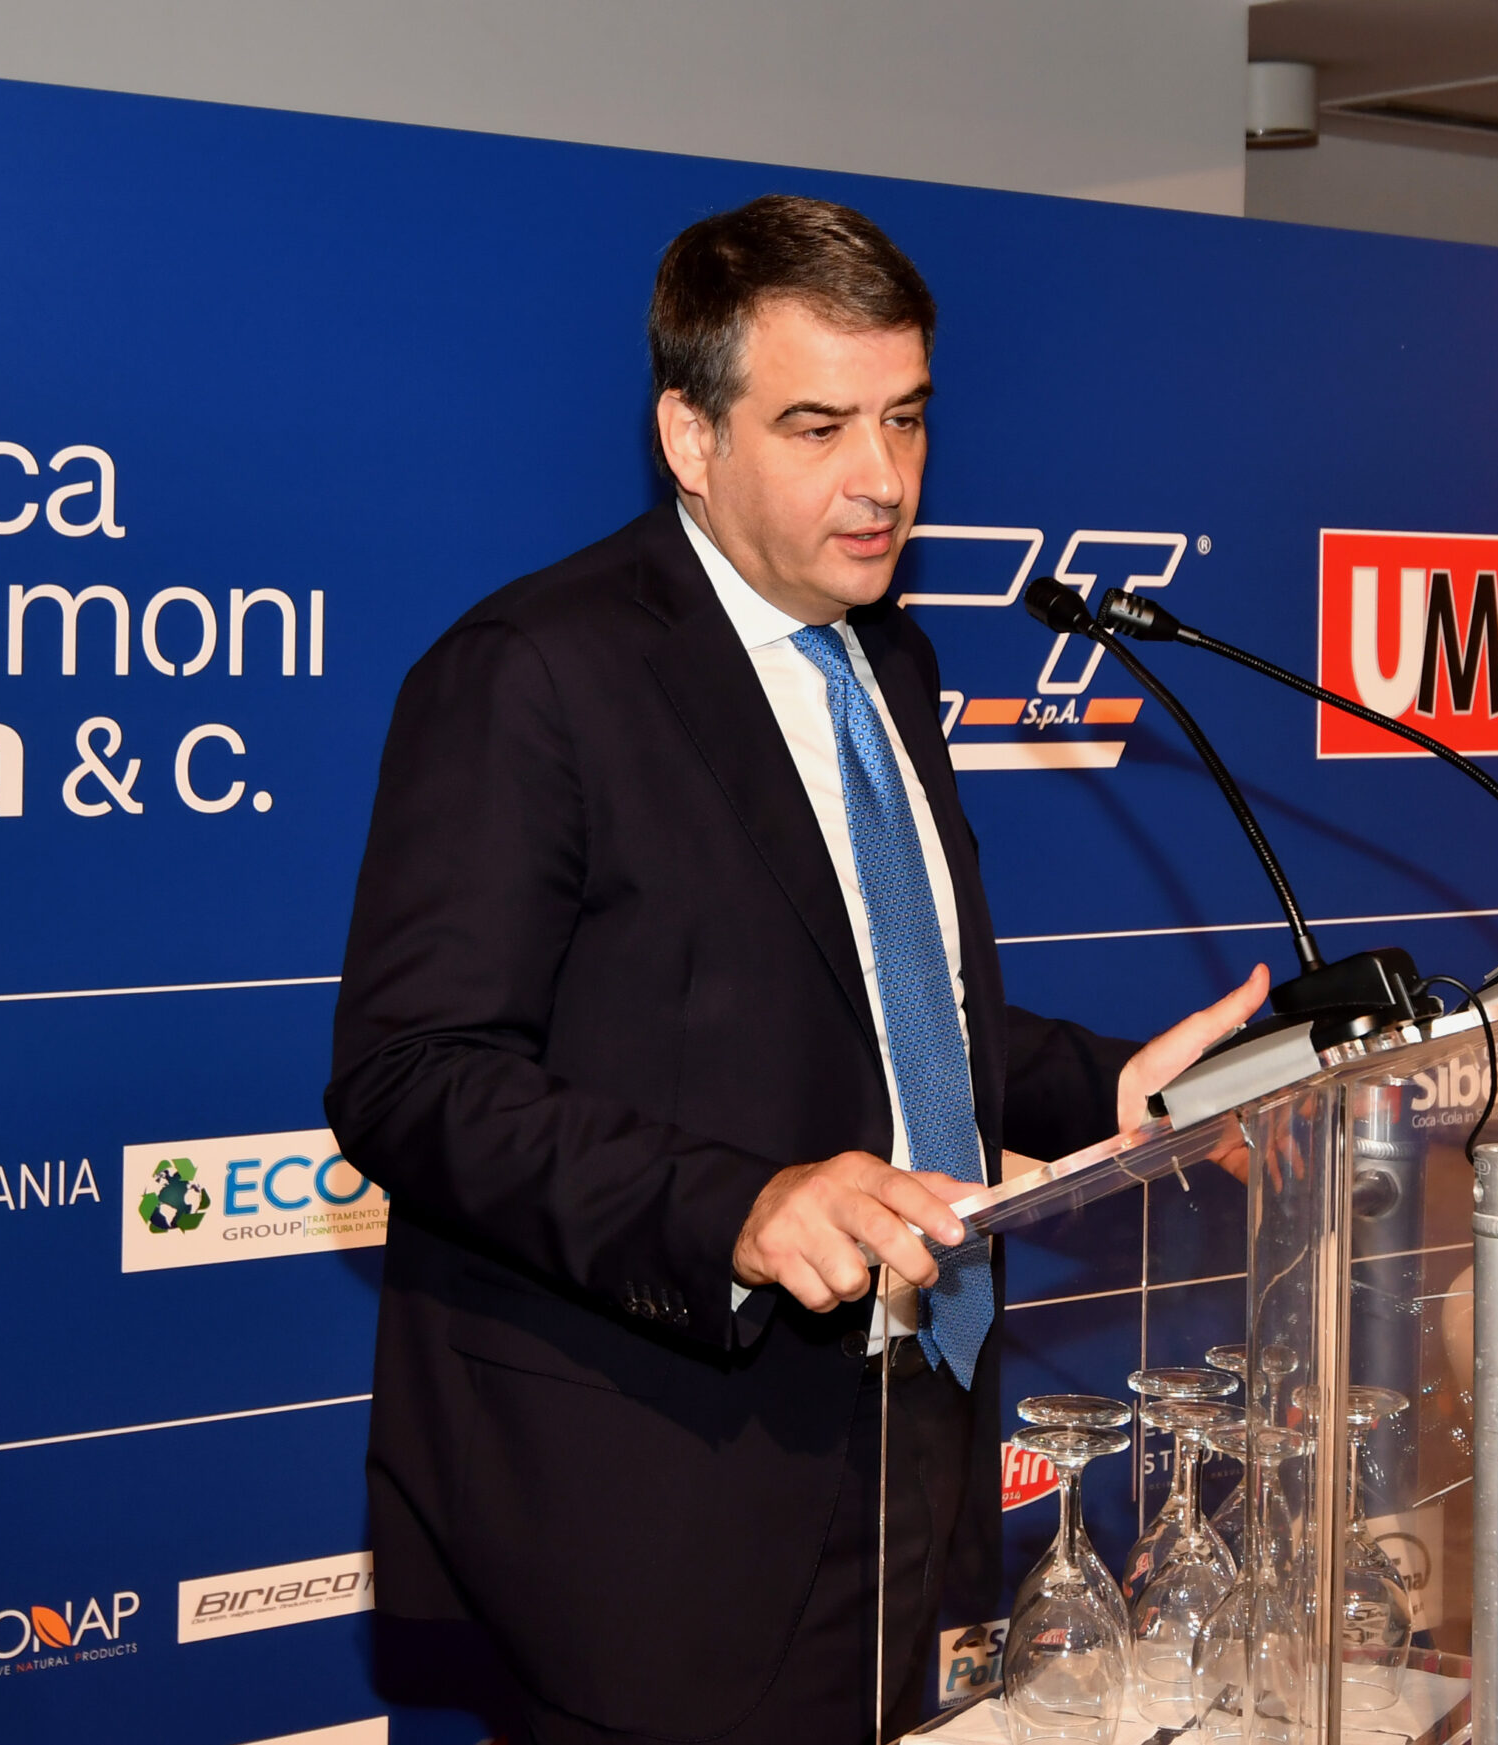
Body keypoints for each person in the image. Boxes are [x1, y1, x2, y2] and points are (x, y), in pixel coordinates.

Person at [327, 193, 1265, 1745]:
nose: (881, 476)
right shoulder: (534, 674)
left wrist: (1109, 1087)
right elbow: (411, 1074)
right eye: (819, 426)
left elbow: (887, 1009)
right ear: (690, 438)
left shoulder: (887, 653)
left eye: (906, 417)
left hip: (907, 1433)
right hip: (654, 1495)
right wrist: (741, 1208)